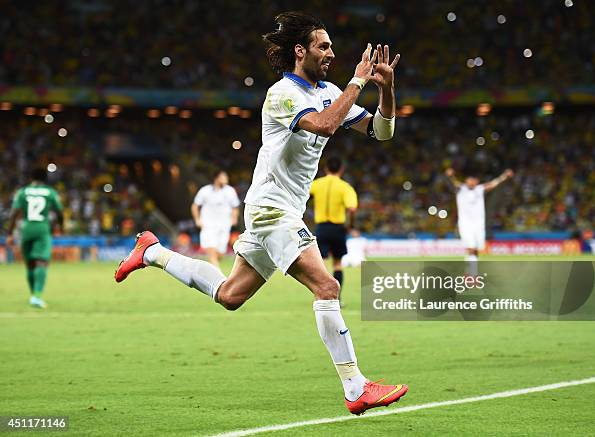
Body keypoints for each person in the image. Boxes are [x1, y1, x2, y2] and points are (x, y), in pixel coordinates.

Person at [115, 11, 407, 414]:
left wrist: (386, 91)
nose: (331, 53)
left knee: (230, 295)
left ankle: (152, 252)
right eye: (324, 46)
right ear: (300, 51)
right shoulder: (283, 93)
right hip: (274, 210)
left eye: (332, 46)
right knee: (328, 287)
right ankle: (356, 387)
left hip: (274, 209)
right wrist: (358, 81)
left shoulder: (330, 90)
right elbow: (323, 125)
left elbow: (381, 131)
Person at [6, 168, 63, 308]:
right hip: (42, 228)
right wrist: (59, 227)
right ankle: (37, 296)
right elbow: (59, 212)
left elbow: (14, 213)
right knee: (41, 262)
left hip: (25, 229)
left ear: (31, 177)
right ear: (45, 178)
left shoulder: (22, 192)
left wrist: (10, 233)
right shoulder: (50, 192)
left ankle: (33, 294)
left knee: (30, 263)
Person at [309, 156, 358, 306]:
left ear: (325, 169)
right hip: (338, 228)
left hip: (321, 228)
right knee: (337, 264)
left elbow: (303, 197)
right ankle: (337, 298)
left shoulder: (316, 184)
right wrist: (350, 227)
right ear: (341, 169)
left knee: (320, 264)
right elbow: (351, 208)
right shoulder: (345, 187)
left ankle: (320, 296)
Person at [446, 168, 514, 273]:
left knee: (476, 249)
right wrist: (451, 176)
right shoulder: (461, 189)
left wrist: (504, 176)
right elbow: (454, 182)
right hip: (466, 224)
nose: (472, 182)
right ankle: (471, 274)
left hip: (479, 224)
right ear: (466, 181)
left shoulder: (480, 189)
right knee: (471, 247)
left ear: (477, 181)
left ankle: (471, 271)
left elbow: (493, 184)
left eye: (474, 180)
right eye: (470, 179)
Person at [191, 170, 240, 267]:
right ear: (216, 178)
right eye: (223, 177)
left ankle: (214, 264)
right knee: (210, 246)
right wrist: (197, 220)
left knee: (221, 252)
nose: (226, 179)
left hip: (224, 224)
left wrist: (234, 218)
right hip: (208, 224)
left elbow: (235, 206)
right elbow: (195, 206)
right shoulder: (205, 190)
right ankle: (216, 269)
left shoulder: (230, 191)